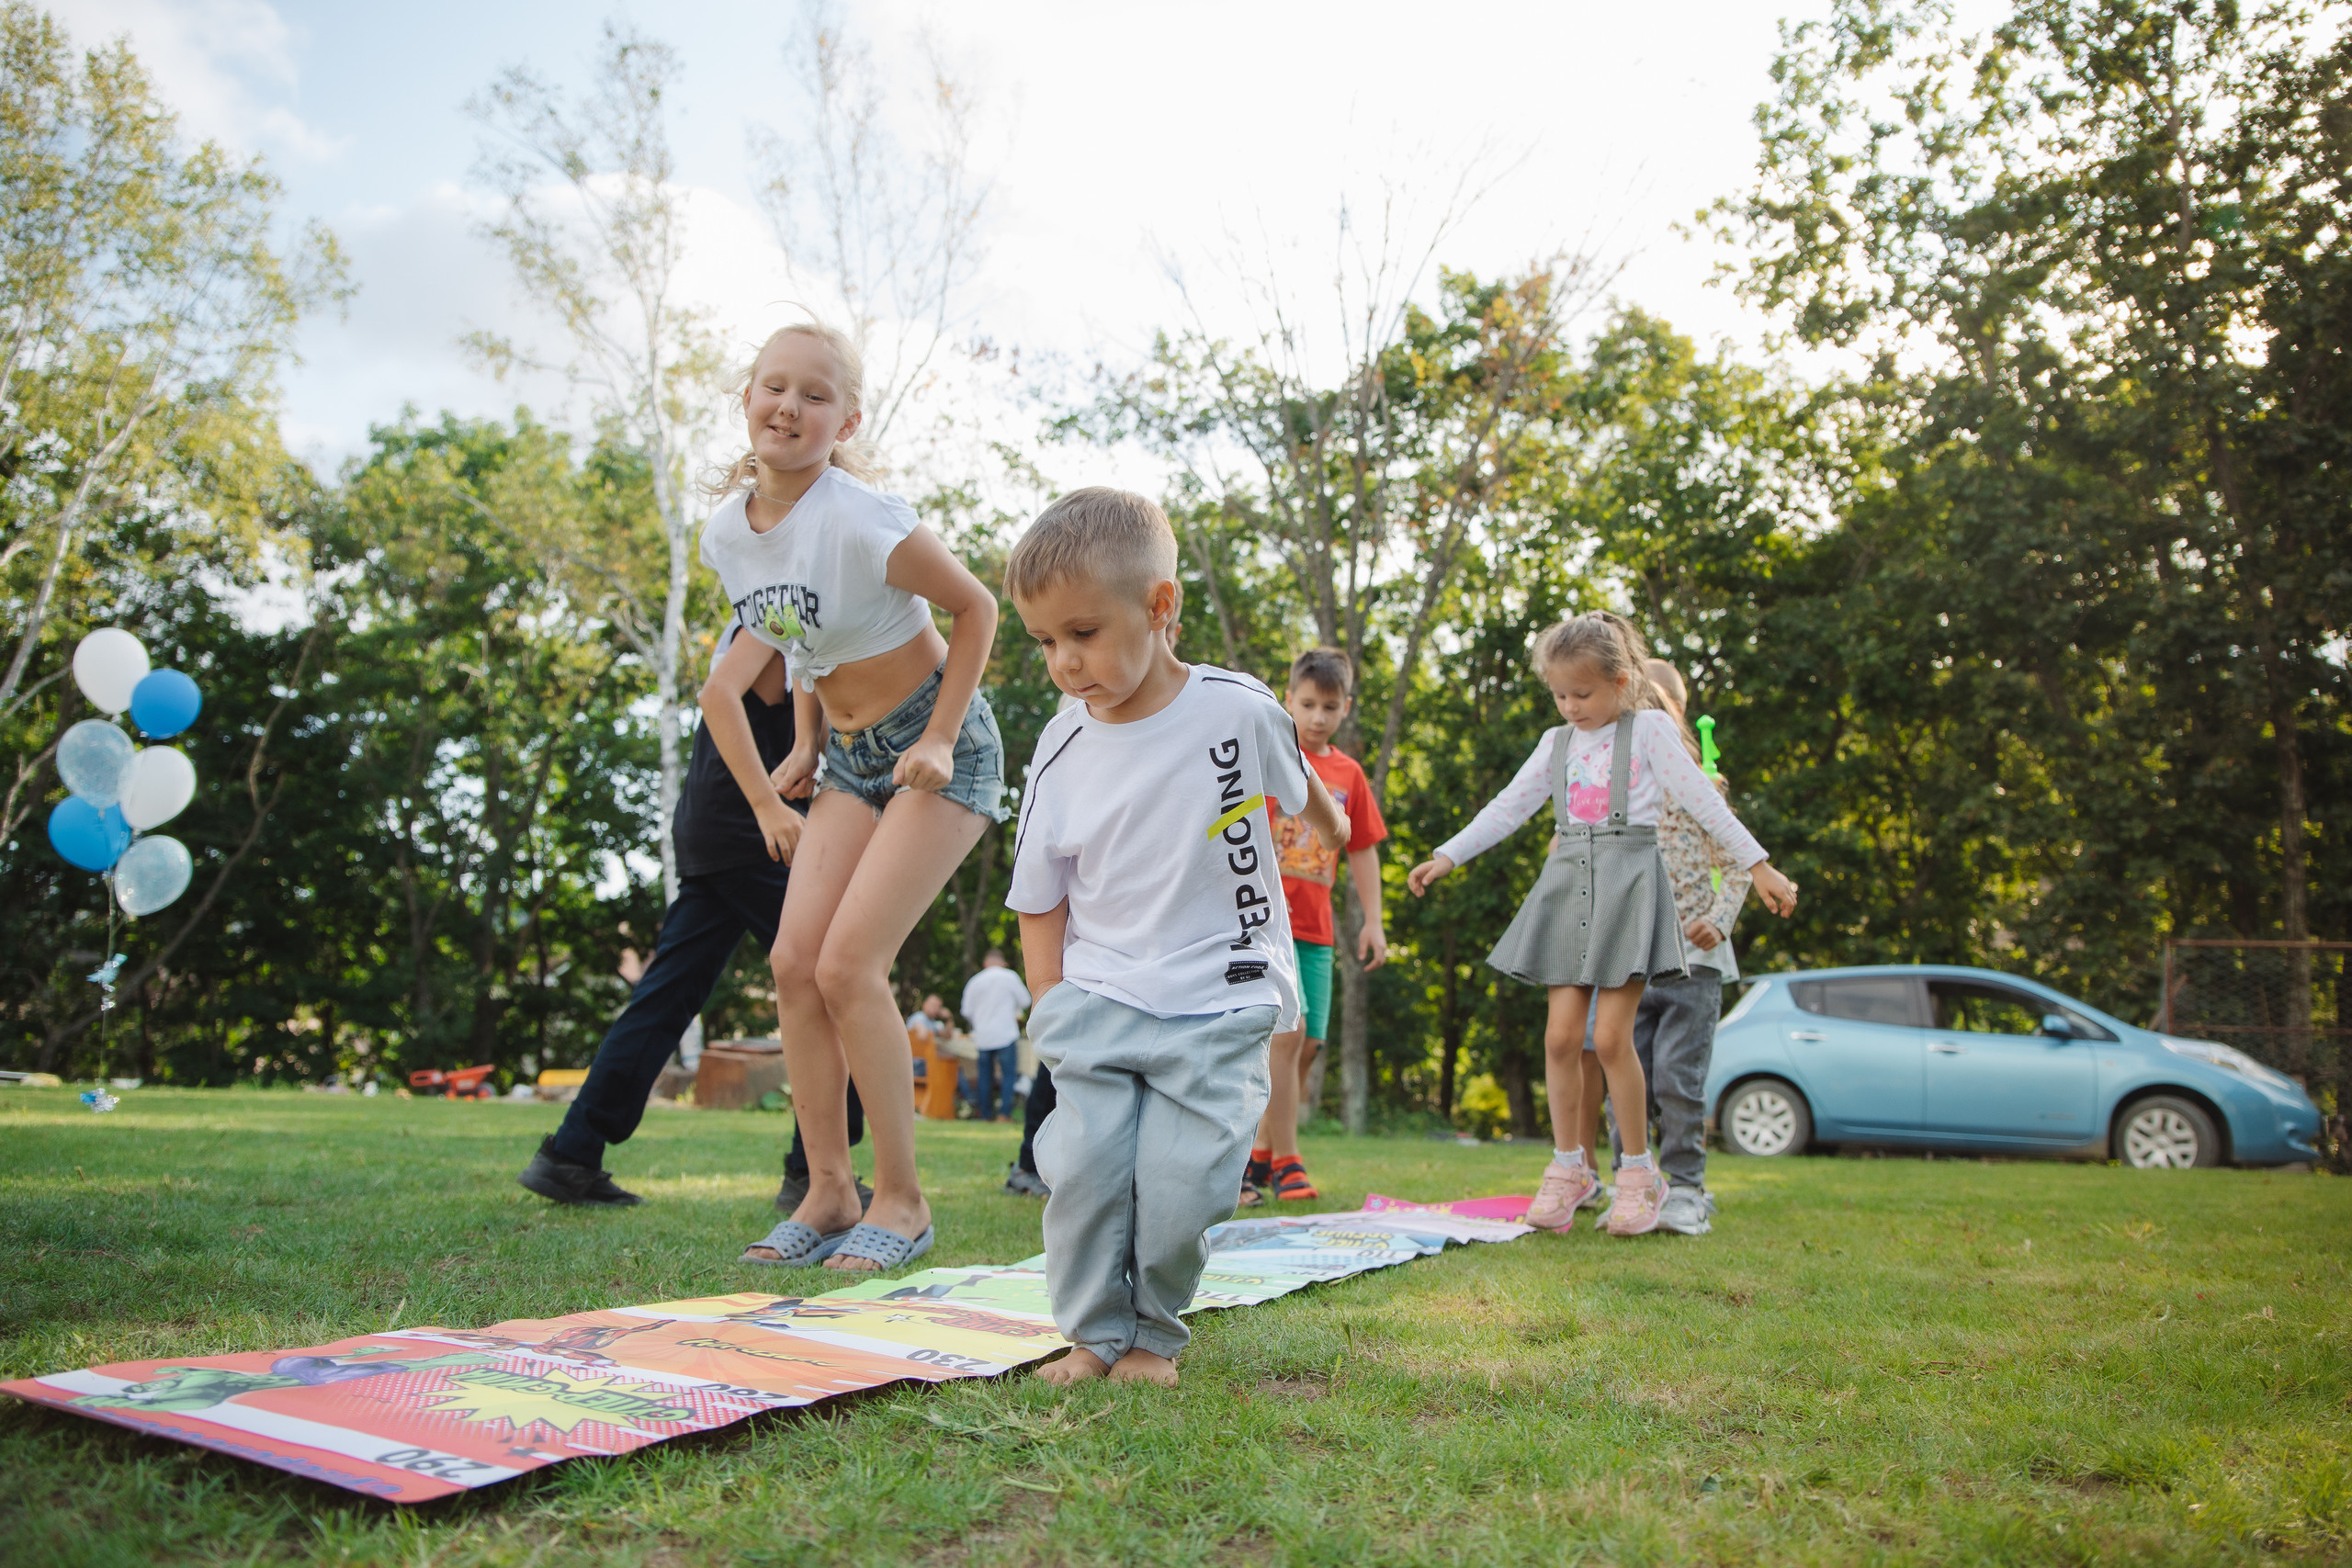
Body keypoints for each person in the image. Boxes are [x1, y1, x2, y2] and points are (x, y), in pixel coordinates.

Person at [1002, 487, 1346, 1386]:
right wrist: (1054, 1009)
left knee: (1183, 1184)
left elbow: (1296, 778)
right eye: (1044, 642)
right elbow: (1038, 892)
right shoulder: (1058, 747)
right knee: (1082, 1174)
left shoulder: (1240, 709)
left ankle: (1153, 1334)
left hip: (1221, 993)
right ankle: (1093, 1337)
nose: (1064, 664)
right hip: (1102, 992)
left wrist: (1333, 822)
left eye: (1081, 633)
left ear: (1160, 608)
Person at [697, 320, 1006, 1272]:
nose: (788, 406)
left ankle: (903, 1201)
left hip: (936, 743)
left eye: (815, 395)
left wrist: (943, 738)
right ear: (746, 398)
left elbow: (976, 608)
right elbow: (799, 639)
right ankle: (830, 1189)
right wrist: (802, 744)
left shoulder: (861, 513)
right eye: (772, 386)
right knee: (794, 965)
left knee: (848, 967)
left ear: (846, 420)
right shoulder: (728, 535)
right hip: (850, 759)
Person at [1405, 612, 1796, 1236]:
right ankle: (1570, 1168)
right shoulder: (1555, 744)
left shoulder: (1649, 734)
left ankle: (1640, 1173)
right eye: (1559, 694)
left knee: (1613, 1039)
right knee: (1563, 1039)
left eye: (1581, 693)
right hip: (1568, 884)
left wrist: (1762, 866)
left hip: (1628, 881)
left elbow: (1700, 797)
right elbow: (1509, 806)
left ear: (1619, 681)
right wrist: (1448, 855)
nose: (1569, 706)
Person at [515, 635, 869, 1214]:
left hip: (716, 830)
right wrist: (766, 805)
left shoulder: (796, 617)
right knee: (843, 980)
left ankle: (572, 1153)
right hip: (752, 833)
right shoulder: (768, 618)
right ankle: (815, 1172)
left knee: (665, 998)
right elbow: (717, 695)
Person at [1600, 660, 1752, 1235]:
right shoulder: (1614, 790)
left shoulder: (1701, 787)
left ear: (1678, 716)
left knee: (1677, 1081)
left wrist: (1718, 919)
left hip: (1695, 964)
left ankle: (1686, 1189)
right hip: (1627, 961)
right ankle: (1631, 1184)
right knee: (1623, 1075)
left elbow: (1739, 861)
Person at [1242, 648, 1388, 1205]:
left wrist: (1373, 921)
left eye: (1330, 706)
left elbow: (1363, 848)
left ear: (1345, 707)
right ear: (1288, 699)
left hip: (1319, 930)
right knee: (1286, 1036)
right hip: (1265, 925)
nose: (1318, 716)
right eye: (1307, 704)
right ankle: (1287, 1162)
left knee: (1307, 1046)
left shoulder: (1348, 773)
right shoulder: (1267, 756)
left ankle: (1255, 1157)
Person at [961, 948, 1031, 1122]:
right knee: (1008, 1075)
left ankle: (985, 1115)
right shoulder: (1009, 977)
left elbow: (966, 1011)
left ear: (985, 963)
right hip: (1005, 1033)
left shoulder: (974, 981)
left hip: (983, 1036)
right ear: (1002, 962)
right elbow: (1026, 1001)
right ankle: (1003, 1114)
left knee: (985, 1076)